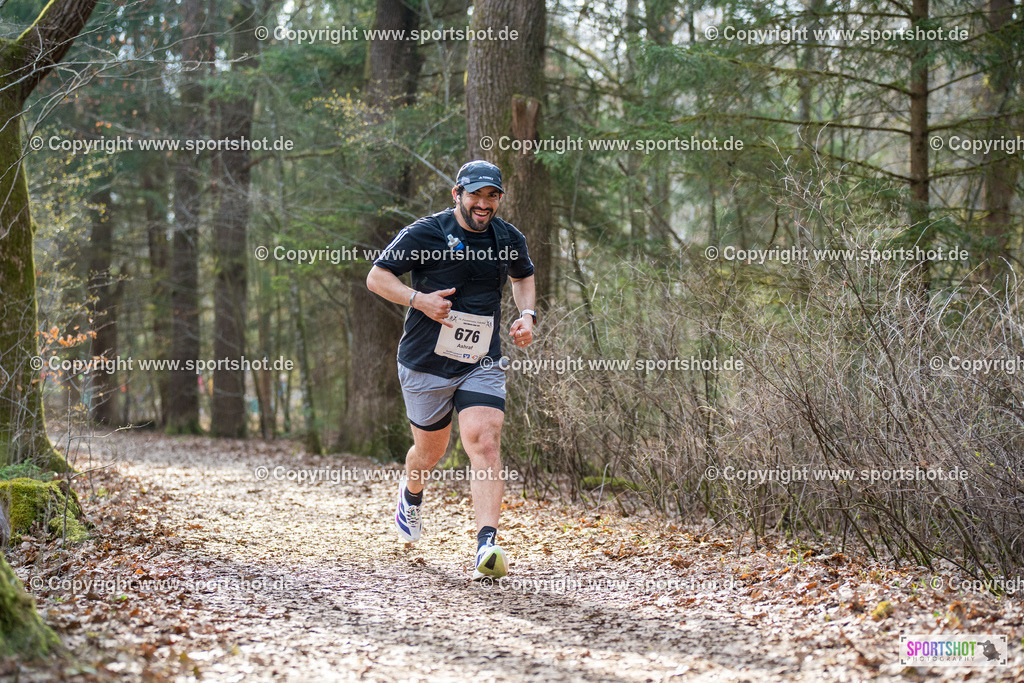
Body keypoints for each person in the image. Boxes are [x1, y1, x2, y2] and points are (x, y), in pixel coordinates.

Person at [366, 160, 536, 580]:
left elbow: (523, 276)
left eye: (492, 196)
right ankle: (412, 493)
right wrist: (419, 300)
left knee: (485, 441)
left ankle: (486, 546)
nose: (484, 203)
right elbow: (377, 277)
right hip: (425, 362)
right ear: (457, 194)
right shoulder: (427, 232)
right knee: (430, 453)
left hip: (482, 361)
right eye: (475, 194)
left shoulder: (507, 238)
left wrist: (527, 315)